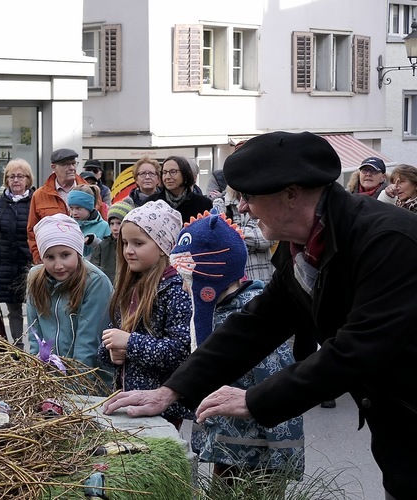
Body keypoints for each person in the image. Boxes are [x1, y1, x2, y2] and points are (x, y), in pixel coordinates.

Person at [101, 131, 417, 499]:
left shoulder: (388, 242)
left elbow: (355, 352)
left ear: (292, 193)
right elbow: (257, 324)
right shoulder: (304, 245)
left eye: (249, 197)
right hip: (398, 425)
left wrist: (255, 400)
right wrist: (172, 390)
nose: (244, 208)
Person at [169, 209, 305, 492]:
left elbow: (277, 389)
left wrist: (285, 455)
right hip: (227, 449)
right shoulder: (221, 312)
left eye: (187, 276)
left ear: (211, 275)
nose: (183, 286)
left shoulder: (252, 320)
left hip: (259, 460)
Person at [98, 200, 192, 428]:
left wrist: (130, 343)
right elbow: (110, 341)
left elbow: (181, 352)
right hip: (127, 399)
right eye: (125, 243)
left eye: (138, 243)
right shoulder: (128, 286)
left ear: (162, 246)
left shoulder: (176, 291)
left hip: (163, 407)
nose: (128, 251)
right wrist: (110, 352)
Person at [26, 213, 114, 392]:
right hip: (50, 381)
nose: (58, 265)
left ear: (78, 251)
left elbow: (88, 344)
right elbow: (35, 335)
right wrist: (36, 375)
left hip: (87, 383)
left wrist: (75, 390)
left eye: (65, 255)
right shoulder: (35, 279)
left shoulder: (95, 282)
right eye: (50, 257)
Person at [0, 159, 35, 348]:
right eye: (11, 176)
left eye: (20, 176)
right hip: (6, 266)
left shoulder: (35, 201)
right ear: (6, 180)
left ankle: (39, 348)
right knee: (13, 310)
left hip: (29, 264)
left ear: (28, 179)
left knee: (35, 308)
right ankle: (17, 348)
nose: (16, 180)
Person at [28, 148, 87, 263]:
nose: (72, 168)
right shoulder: (40, 195)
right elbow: (32, 233)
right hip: (52, 265)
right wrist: (40, 261)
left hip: (85, 263)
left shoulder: (89, 191)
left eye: (74, 163)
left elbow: (101, 224)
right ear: (54, 168)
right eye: (66, 164)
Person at [216, 187, 275, 283]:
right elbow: (216, 237)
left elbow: (266, 238)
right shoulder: (220, 203)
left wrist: (229, 234)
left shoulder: (263, 198)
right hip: (233, 283)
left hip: (263, 280)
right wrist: (249, 237)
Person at [149, 156, 212, 222]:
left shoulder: (203, 203)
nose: (167, 177)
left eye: (173, 172)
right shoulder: (152, 203)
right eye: (164, 172)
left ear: (185, 174)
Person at [91, 199, 134, 282]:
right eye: (112, 224)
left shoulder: (132, 246)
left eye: (119, 223)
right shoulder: (103, 246)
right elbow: (94, 270)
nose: (114, 228)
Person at [66, 189, 110, 260]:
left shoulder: (104, 227)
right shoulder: (67, 225)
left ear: (89, 207)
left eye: (78, 208)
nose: (74, 212)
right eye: (71, 208)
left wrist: (94, 242)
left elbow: (109, 252)